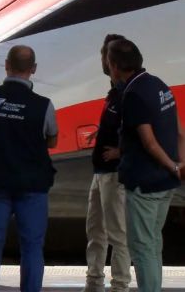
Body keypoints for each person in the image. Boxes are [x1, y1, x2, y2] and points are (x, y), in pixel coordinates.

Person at [0, 45, 58, 292]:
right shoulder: (44, 105)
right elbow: (52, 139)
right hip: (32, 185)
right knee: (32, 245)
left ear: (6, 65)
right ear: (33, 69)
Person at [108, 38, 183, 292]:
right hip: (165, 183)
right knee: (153, 244)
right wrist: (179, 165)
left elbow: (149, 143)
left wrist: (174, 167)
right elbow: (179, 131)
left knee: (141, 248)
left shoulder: (133, 95)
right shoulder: (159, 85)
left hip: (146, 185)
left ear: (116, 66)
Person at [83, 34, 131, 292]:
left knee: (117, 234)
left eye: (104, 55)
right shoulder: (114, 93)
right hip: (100, 172)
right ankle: (94, 282)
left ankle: (120, 286)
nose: (102, 60)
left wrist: (120, 151)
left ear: (112, 61)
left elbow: (142, 129)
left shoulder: (127, 93)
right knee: (95, 231)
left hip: (114, 174)